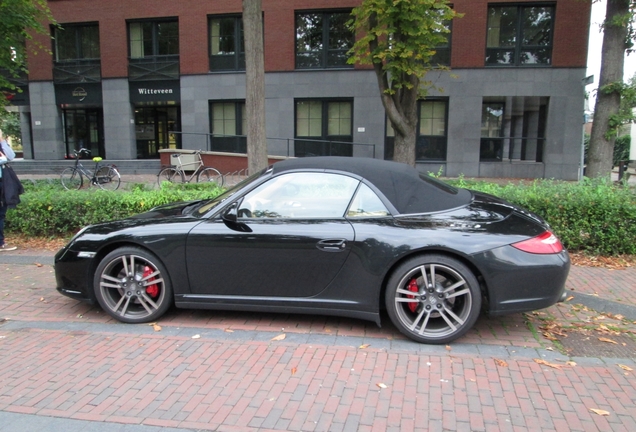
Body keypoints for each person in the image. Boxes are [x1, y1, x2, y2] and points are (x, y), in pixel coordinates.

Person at [0, 132, 17, 251]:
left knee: (1, 213)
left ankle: (1, 242)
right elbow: (5, 159)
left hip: (3, 183)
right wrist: (3, 159)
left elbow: (11, 156)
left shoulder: (1, 145)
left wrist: (2, 141)